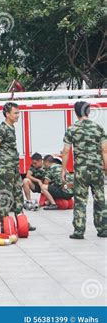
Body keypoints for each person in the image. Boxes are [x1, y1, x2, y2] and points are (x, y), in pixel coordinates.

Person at [0, 102, 35, 231]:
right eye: (15, 113)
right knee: (6, 196)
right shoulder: (3, 128)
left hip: (13, 168)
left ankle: (22, 222)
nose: (18, 115)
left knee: (18, 195)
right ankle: (4, 224)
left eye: (18, 113)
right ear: (7, 114)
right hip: (6, 169)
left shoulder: (11, 127)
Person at [61, 101, 107, 239]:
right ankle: (103, 229)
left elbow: (66, 151)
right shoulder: (98, 128)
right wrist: (106, 168)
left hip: (81, 171)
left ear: (76, 112)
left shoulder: (72, 129)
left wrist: (63, 170)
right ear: (88, 112)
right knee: (99, 198)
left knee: (80, 200)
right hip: (97, 169)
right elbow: (104, 150)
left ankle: (79, 231)